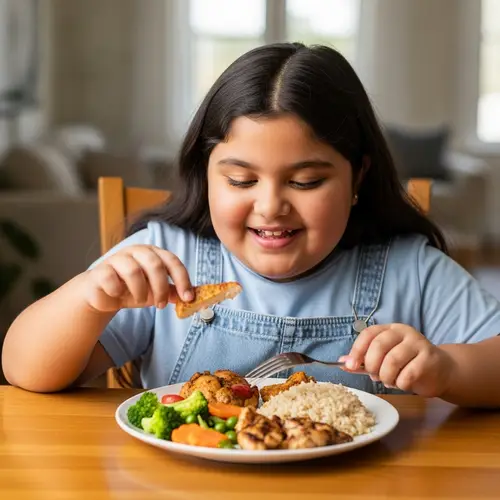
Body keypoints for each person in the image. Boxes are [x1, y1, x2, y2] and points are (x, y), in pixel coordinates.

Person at [3, 43, 500, 408]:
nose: (270, 206)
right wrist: (91, 298)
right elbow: (23, 370)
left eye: (305, 181)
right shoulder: (165, 258)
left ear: (358, 177)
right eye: (241, 179)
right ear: (206, 174)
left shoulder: (409, 269)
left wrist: (449, 369)